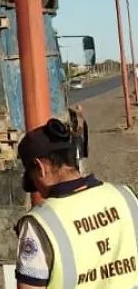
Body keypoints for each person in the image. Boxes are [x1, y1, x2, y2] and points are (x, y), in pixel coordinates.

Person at [15, 118, 138, 289]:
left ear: (40, 167)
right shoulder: (126, 197)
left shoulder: (40, 224)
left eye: (32, 178)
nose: (36, 187)